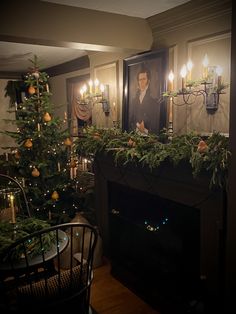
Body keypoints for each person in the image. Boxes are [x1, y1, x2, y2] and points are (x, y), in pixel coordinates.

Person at [129, 65, 161, 135]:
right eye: (140, 80)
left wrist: (145, 128)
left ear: (148, 81)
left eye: (144, 79)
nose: (141, 82)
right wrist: (137, 126)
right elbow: (131, 119)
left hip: (148, 136)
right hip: (135, 135)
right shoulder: (134, 100)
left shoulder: (153, 100)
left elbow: (155, 121)